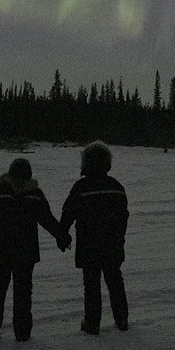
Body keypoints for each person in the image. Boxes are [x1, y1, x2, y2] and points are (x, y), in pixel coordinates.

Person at [0, 156, 69, 341]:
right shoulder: (34, 194)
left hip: (1, 252)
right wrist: (61, 236)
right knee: (21, 292)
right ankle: (21, 332)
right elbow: (47, 219)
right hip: (24, 253)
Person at [59, 141, 129, 334]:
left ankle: (92, 323)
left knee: (91, 284)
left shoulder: (81, 187)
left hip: (89, 245)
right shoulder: (116, 187)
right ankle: (122, 319)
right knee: (114, 280)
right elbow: (123, 217)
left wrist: (62, 234)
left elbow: (68, 212)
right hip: (112, 244)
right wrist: (120, 237)